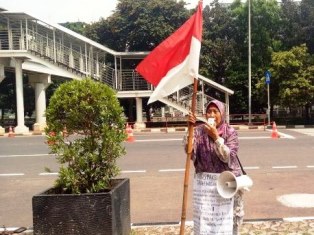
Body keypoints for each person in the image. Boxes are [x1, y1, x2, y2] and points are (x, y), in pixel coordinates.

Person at [186, 99, 244, 235]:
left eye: (215, 111)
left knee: (228, 223)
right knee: (206, 223)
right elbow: (189, 152)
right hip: (206, 187)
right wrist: (190, 129)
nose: (211, 115)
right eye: (209, 111)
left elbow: (227, 156)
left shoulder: (230, 132)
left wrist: (216, 137)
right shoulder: (199, 131)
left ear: (222, 113)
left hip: (227, 186)